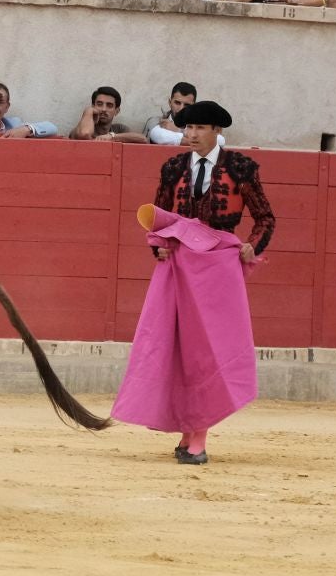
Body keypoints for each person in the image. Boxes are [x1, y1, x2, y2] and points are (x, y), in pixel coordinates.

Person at [110, 99, 273, 466]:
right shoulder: (172, 168)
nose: (191, 135)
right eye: (188, 128)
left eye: (199, 128)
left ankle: (197, 435)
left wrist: (252, 246)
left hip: (219, 272)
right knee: (176, 349)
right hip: (179, 267)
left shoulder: (241, 168)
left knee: (207, 353)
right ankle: (189, 432)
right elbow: (159, 218)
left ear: (216, 131)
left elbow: (265, 218)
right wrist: (160, 249)